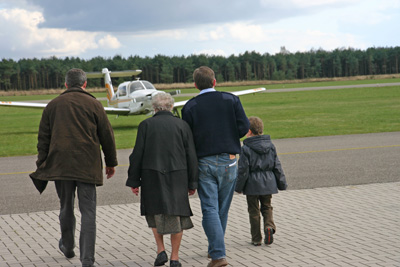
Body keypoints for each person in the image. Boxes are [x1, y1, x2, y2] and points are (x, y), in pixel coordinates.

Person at [29, 68, 118, 267]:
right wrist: (111, 162)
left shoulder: (52, 105)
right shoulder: (94, 104)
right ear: (85, 84)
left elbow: (43, 140)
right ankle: (87, 259)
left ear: (66, 85)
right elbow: (107, 136)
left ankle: (68, 246)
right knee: (89, 212)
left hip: (61, 166)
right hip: (87, 166)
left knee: (65, 207)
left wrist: (42, 165)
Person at [181, 66, 249, 267]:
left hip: (204, 162)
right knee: (222, 210)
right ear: (214, 82)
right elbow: (244, 127)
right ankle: (215, 251)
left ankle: (218, 254)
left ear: (195, 85)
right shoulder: (231, 99)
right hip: (229, 160)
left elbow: (188, 138)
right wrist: (229, 135)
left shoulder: (190, 106)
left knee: (210, 208)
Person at [126, 93, 198, 267]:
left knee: (155, 214)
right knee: (178, 215)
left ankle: (160, 250)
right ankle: (175, 257)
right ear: (172, 107)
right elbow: (191, 155)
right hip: (178, 176)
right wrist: (192, 182)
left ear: (154, 108)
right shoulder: (182, 125)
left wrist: (134, 180)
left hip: (151, 176)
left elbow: (137, 155)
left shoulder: (146, 125)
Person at [235, 116, 288, 246]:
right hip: (268, 182)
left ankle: (256, 238)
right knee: (267, 206)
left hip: (252, 184)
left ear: (248, 131)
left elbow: (243, 170)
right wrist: (282, 183)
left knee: (254, 211)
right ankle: (269, 226)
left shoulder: (246, 148)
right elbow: (277, 165)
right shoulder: (270, 146)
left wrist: (238, 186)